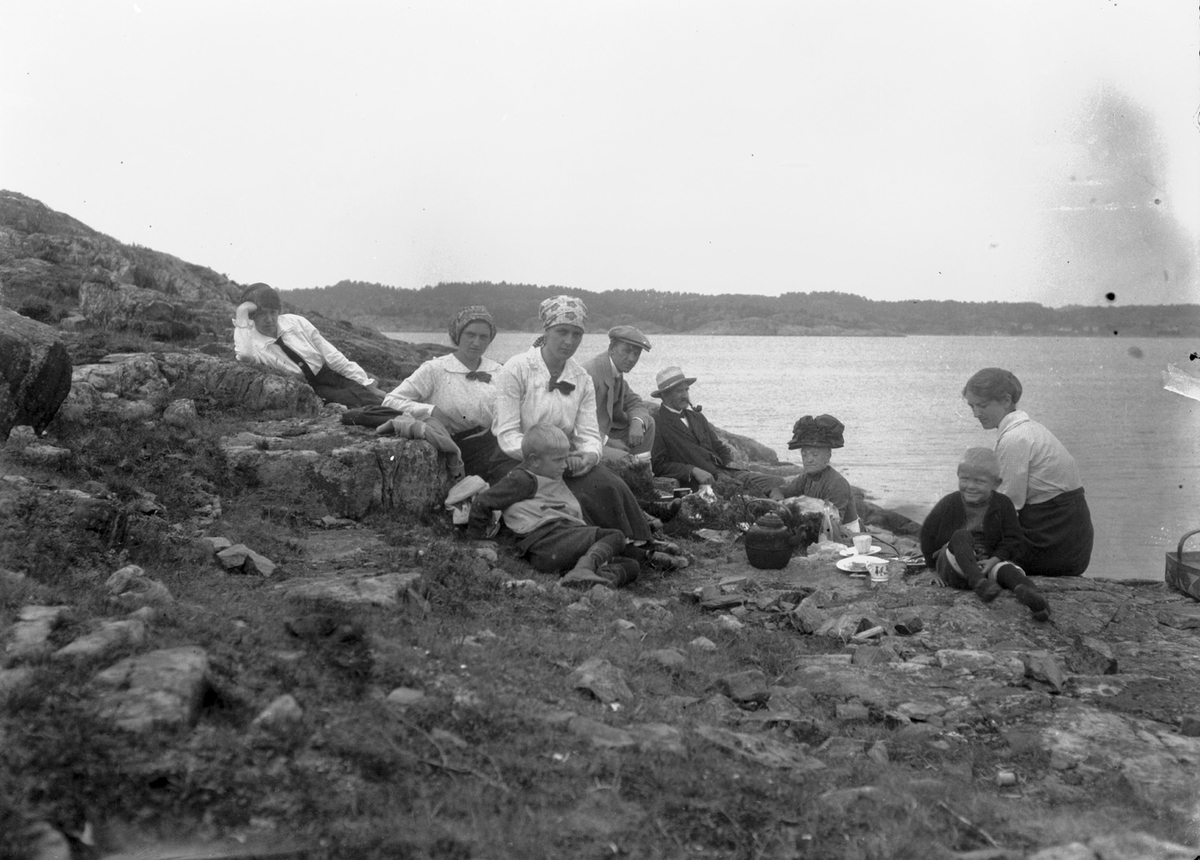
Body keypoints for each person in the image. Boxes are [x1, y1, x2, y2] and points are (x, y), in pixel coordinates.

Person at [491, 295, 655, 542]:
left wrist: (589, 455)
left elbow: (589, 434)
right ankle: (605, 547)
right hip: (520, 460)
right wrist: (550, 458)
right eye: (562, 332)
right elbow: (507, 433)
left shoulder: (581, 378)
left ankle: (642, 543)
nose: (569, 342)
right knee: (575, 498)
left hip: (565, 462)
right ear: (546, 330)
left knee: (609, 484)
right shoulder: (517, 368)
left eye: (576, 334)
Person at [467, 425, 684, 588]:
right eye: (559, 460)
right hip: (546, 541)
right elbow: (483, 502)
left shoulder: (544, 473)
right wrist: (478, 539)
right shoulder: (522, 479)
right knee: (614, 537)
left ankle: (597, 581)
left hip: (561, 547)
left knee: (632, 566)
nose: (564, 465)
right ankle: (583, 569)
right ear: (533, 460)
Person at [963, 367, 1094, 577]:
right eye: (972, 406)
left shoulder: (1015, 438)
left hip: (1053, 547)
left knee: (960, 550)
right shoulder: (1030, 429)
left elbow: (1006, 507)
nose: (976, 413)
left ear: (1006, 400)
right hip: (1070, 547)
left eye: (982, 405)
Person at [920, 447, 1050, 621]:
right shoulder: (949, 503)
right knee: (961, 535)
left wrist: (995, 559)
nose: (971, 486)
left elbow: (1014, 538)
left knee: (1008, 570)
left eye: (980, 481)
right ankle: (978, 583)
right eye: (965, 479)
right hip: (956, 564)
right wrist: (932, 569)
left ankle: (1035, 599)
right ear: (958, 476)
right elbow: (927, 534)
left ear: (996, 483)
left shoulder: (1003, 504)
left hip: (987, 564)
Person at [382, 306, 504, 479]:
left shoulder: (498, 371)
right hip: (455, 448)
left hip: (492, 443)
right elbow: (390, 400)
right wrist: (431, 411)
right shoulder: (435, 369)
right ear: (457, 336)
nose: (476, 342)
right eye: (470, 334)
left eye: (483, 337)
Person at [232, 283, 386, 408]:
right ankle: (395, 417)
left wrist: (365, 382)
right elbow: (245, 355)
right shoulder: (251, 341)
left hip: (327, 374)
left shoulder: (295, 322)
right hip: (308, 387)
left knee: (366, 392)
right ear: (251, 316)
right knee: (352, 400)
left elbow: (331, 355)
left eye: (273, 312)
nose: (269, 320)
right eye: (261, 314)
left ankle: (398, 410)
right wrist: (242, 310)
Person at [650, 366, 782, 496]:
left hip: (726, 473)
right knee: (753, 496)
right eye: (679, 391)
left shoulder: (697, 417)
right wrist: (692, 471)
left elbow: (718, 446)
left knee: (779, 483)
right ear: (664, 395)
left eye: (686, 390)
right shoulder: (657, 422)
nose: (685, 395)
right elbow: (659, 465)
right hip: (705, 482)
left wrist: (729, 462)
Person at [769, 414, 861, 532]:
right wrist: (780, 503)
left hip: (845, 533)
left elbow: (833, 524)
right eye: (804, 454)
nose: (809, 459)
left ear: (828, 457)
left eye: (815, 454)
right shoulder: (805, 479)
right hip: (816, 528)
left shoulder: (837, 483)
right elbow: (779, 490)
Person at [581, 326, 656, 462]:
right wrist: (608, 442)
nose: (632, 358)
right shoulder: (590, 374)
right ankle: (634, 469)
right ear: (611, 349)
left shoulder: (615, 371)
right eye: (626, 351)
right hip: (586, 440)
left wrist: (637, 422)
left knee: (647, 423)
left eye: (636, 353)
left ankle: (643, 469)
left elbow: (635, 402)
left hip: (604, 434)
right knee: (624, 461)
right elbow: (579, 422)